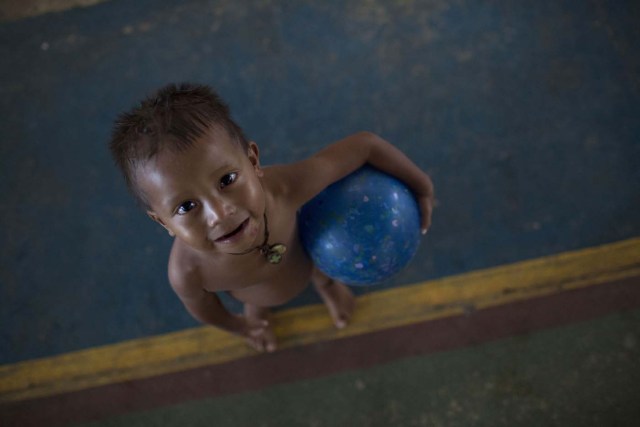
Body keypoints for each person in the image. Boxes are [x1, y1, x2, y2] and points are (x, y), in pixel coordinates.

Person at [110, 83, 434, 352]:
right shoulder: (189, 272)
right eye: (185, 207)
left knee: (320, 271)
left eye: (226, 181)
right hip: (253, 296)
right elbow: (205, 309)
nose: (220, 212)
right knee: (257, 303)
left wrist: (422, 188)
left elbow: (365, 145)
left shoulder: (283, 190)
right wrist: (240, 325)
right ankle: (259, 315)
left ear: (253, 162)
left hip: (307, 261)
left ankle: (327, 286)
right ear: (163, 222)